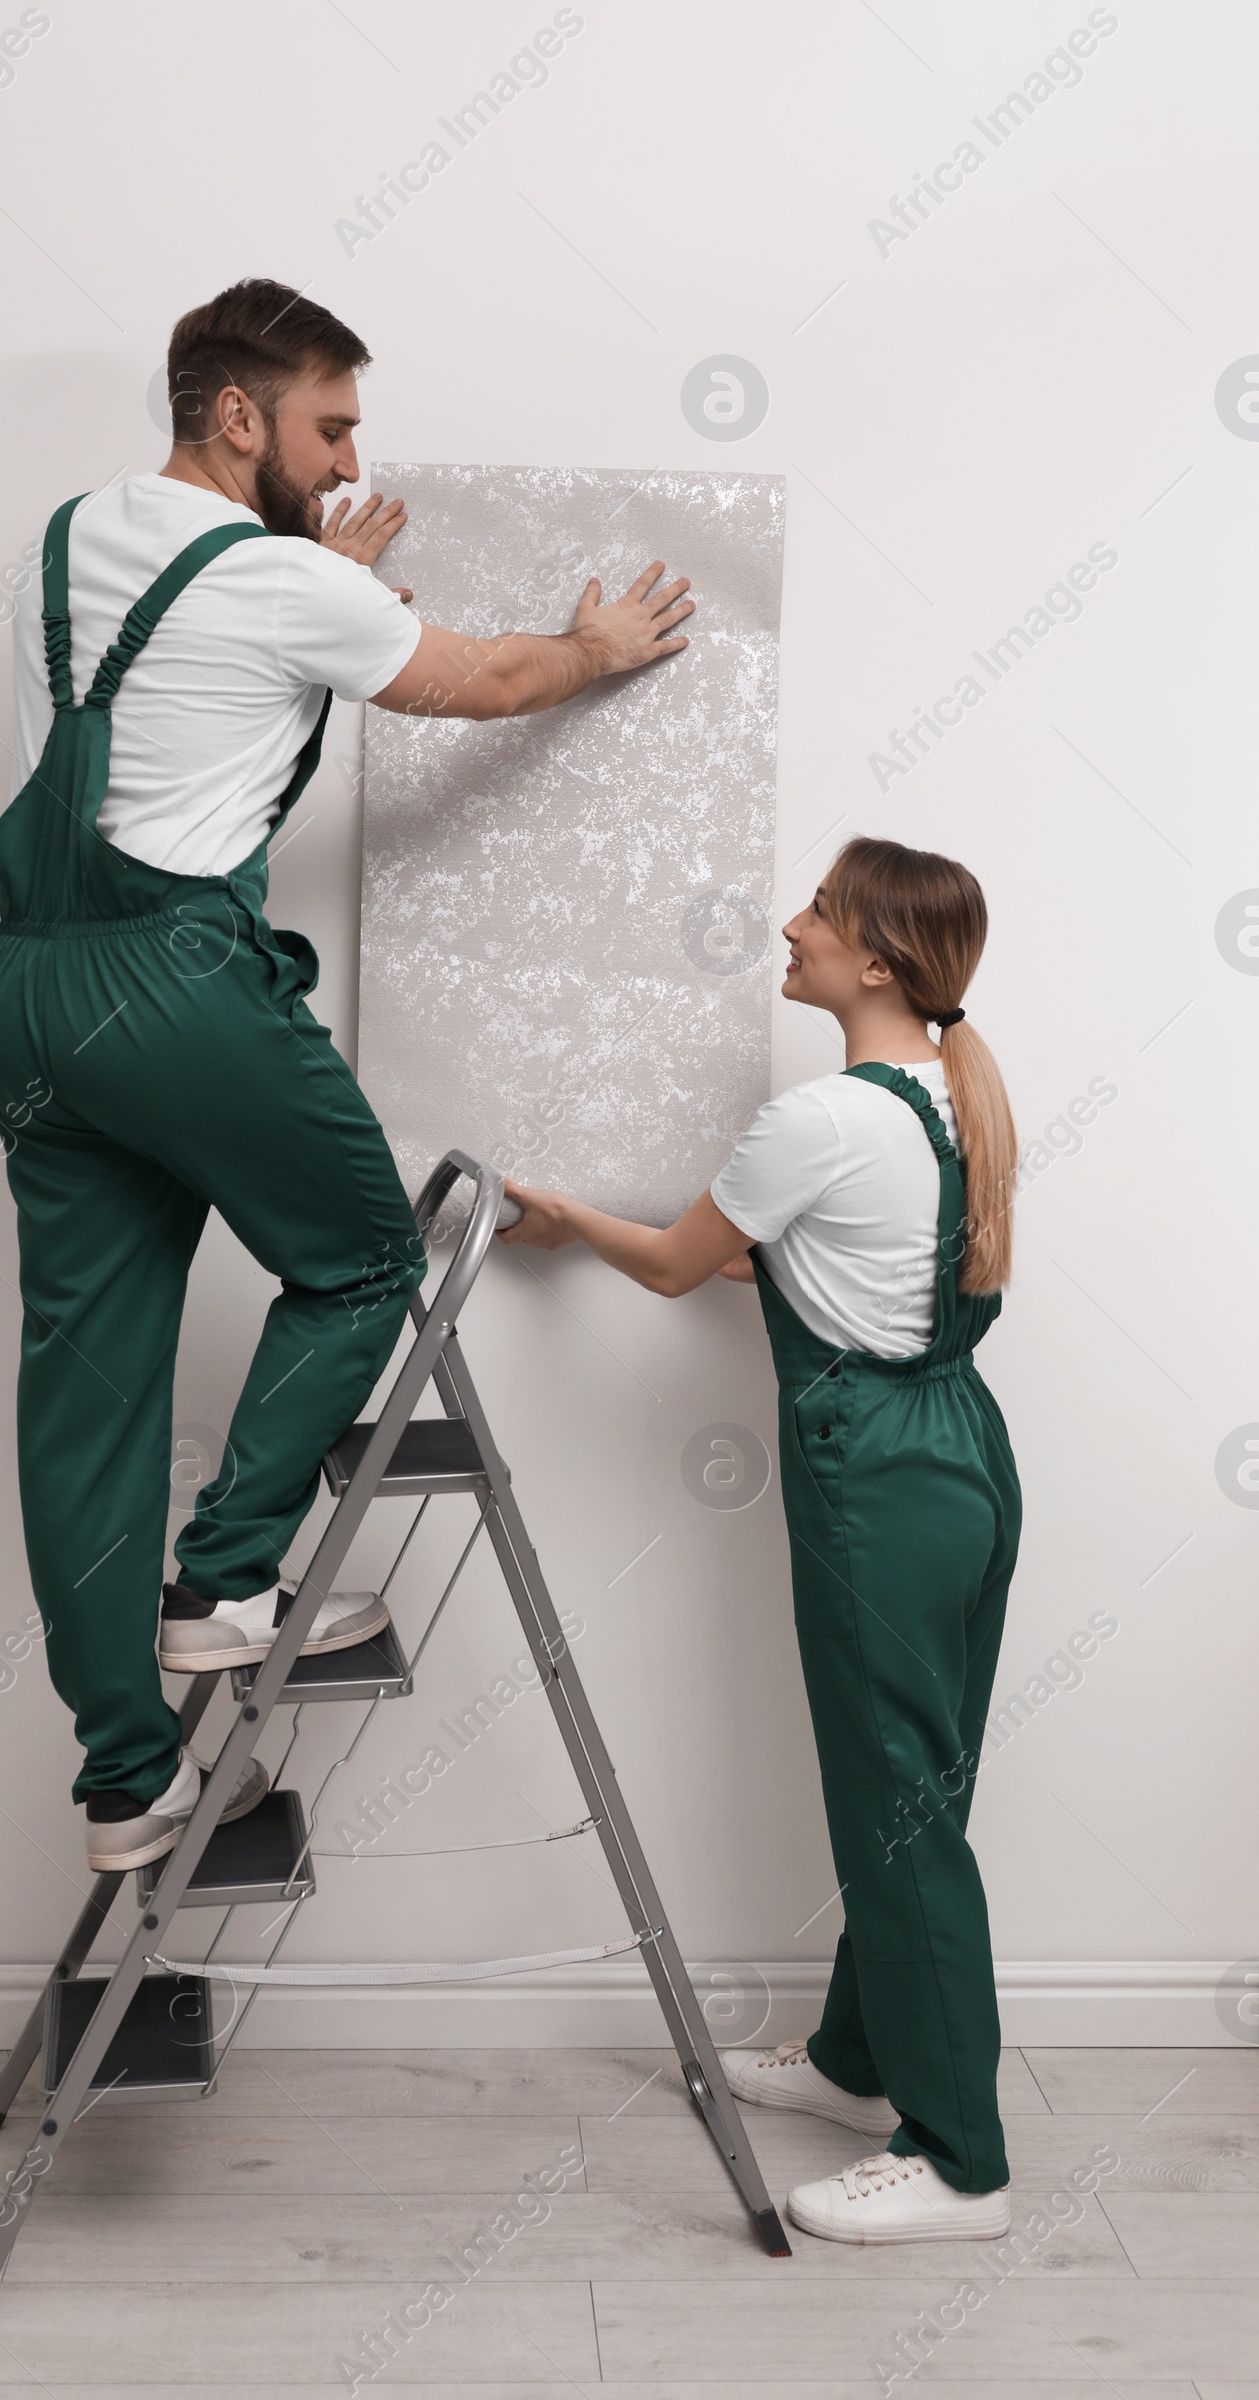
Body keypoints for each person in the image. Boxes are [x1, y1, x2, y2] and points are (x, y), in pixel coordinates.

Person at [0, 277, 695, 1872]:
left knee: (83, 1392)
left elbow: (177, 679)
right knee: (372, 1252)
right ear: (237, 415)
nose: (352, 453)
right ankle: (229, 1582)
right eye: (330, 424)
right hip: (173, 978)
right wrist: (592, 643)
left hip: (30, 987)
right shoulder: (283, 586)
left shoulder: (71, 537)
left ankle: (126, 1782)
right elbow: (488, 681)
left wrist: (308, 577)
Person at [499, 836, 1022, 2244]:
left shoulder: (818, 1119)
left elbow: (682, 1267)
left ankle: (962, 2163)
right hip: (966, 1452)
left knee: (898, 1809)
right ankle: (860, 2065)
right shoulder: (951, 1101)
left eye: (822, 916)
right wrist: (620, 1225)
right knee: (917, 1791)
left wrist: (567, 1227)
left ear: (878, 961)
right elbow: (792, 1254)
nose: (789, 927)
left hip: (877, 1477)